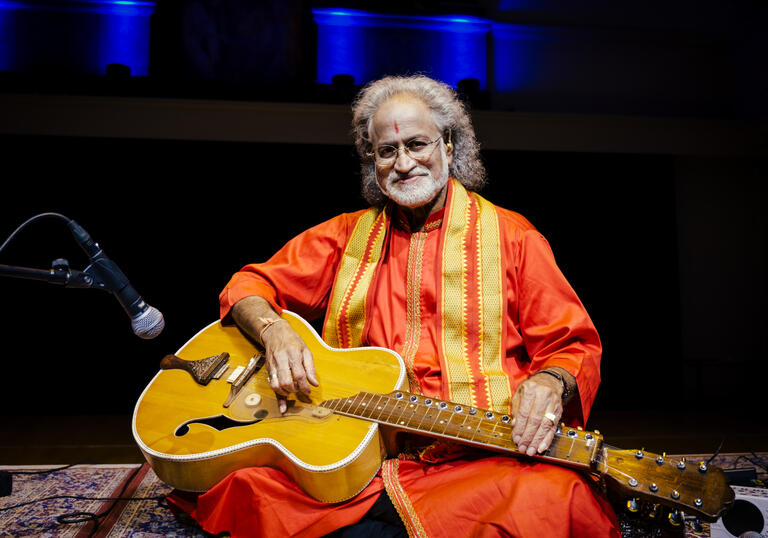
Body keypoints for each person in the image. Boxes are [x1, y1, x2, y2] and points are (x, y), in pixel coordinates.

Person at [169, 75, 620, 537]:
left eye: (417, 144)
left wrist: (549, 380)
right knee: (248, 486)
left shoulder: (514, 236)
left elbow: (573, 344)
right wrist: (273, 330)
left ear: (447, 144)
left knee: (559, 497)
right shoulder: (346, 236)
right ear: (373, 161)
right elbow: (248, 285)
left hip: (478, 456)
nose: (404, 163)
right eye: (387, 151)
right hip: (357, 450)